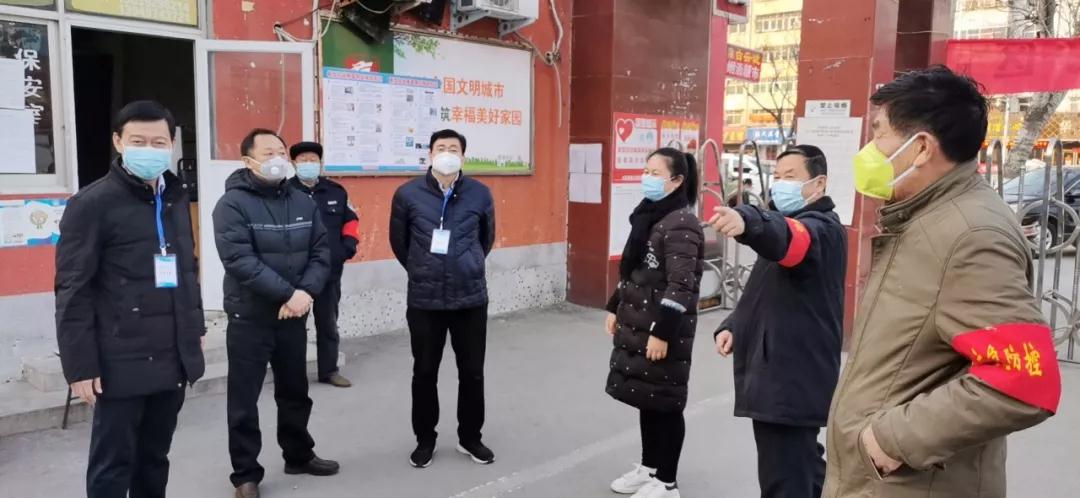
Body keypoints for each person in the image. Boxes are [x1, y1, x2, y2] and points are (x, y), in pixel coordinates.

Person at [824, 66, 1062, 497]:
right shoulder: (926, 218)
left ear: (920, 148)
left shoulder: (970, 235)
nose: (869, 150)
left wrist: (893, 439)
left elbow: (1026, 378)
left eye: (878, 134)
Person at [55, 100, 205, 498]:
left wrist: (194, 327)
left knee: (154, 457)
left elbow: (186, 269)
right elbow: (73, 289)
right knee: (112, 465)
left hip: (171, 354)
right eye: (138, 141)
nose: (149, 149)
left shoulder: (174, 196)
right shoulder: (91, 204)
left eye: (158, 142)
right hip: (119, 358)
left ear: (171, 144)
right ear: (118, 142)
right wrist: (80, 366)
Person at [710, 145, 846, 498]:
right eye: (777, 176)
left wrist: (748, 221)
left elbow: (788, 238)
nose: (780, 183)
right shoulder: (787, 227)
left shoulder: (821, 230)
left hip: (792, 377)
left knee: (784, 478)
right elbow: (764, 290)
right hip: (779, 373)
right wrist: (735, 324)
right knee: (801, 467)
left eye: (791, 176)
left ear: (819, 184)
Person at [213, 129, 338, 498]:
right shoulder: (231, 204)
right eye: (268, 153)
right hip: (250, 316)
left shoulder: (302, 200)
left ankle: (298, 454)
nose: (277, 159)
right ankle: (245, 474)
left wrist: (306, 293)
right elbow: (239, 260)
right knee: (244, 400)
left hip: (293, 315)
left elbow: (321, 252)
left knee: (295, 390)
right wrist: (290, 293)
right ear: (247, 160)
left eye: (281, 152)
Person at [389, 129, 496, 468]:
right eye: (441, 148)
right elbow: (399, 243)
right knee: (424, 372)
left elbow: (486, 238)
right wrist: (422, 268)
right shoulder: (408, 194)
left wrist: (467, 264)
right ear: (430, 155)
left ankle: (470, 438)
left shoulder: (480, 193)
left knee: (472, 372)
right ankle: (425, 439)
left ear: (463, 156)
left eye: (454, 148)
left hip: (470, 297)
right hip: (425, 299)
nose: (447, 153)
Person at [605, 148, 704, 498]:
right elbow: (634, 270)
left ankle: (666, 482)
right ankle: (649, 469)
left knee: (666, 403)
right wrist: (615, 307)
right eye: (645, 170)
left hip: (663, 329)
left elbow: (681, 285)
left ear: (676, 181)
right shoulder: (648, 215)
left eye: (655, 172)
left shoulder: (681, 223)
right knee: (648, 398)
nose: (646, 177)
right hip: (640, 323)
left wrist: (662, 333)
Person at [287, 141, 359, 388]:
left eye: (313, 160)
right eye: (303, 160)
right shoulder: (284, 192)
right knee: (294, 326)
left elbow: (351, 221)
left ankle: (329, 371)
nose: (309, 164)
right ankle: (292, 373)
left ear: (320, 163)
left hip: (329, 271)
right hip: (296, 272)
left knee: (328, 323)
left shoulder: (335, 191)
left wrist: (346, 248)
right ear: (293, 163)